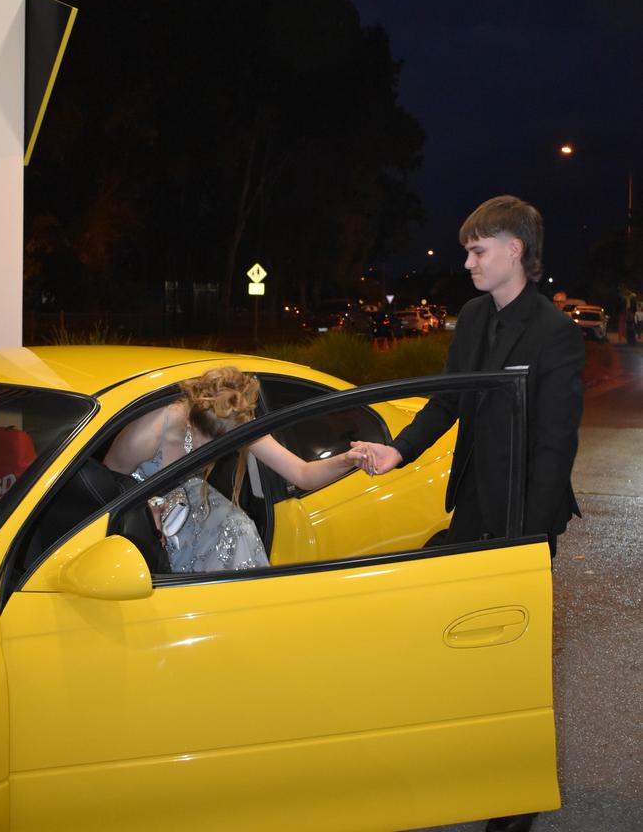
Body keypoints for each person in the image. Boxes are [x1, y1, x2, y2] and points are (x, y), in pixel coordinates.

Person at [351, 195, 585, 832]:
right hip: (473, 511)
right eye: (468, 250)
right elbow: (445, 403)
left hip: (522, 519)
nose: (468, 261)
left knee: (514, 667)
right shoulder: (475, 317)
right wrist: (395, 451)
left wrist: (527, 543)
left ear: (516, 250)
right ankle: (468, 770)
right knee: (462, 650)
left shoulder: (555, 334)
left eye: (479, 250)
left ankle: (515, 803)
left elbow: (555, 444)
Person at [104, 365, 359, 574]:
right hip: (135, 504)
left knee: (238, 528)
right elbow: (104, 489)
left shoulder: (233, 418)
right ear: (193, 421)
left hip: (187, 498)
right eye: (211, 444)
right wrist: (146, 518)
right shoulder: (145, 436)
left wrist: (348, 459)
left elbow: (302, 474)